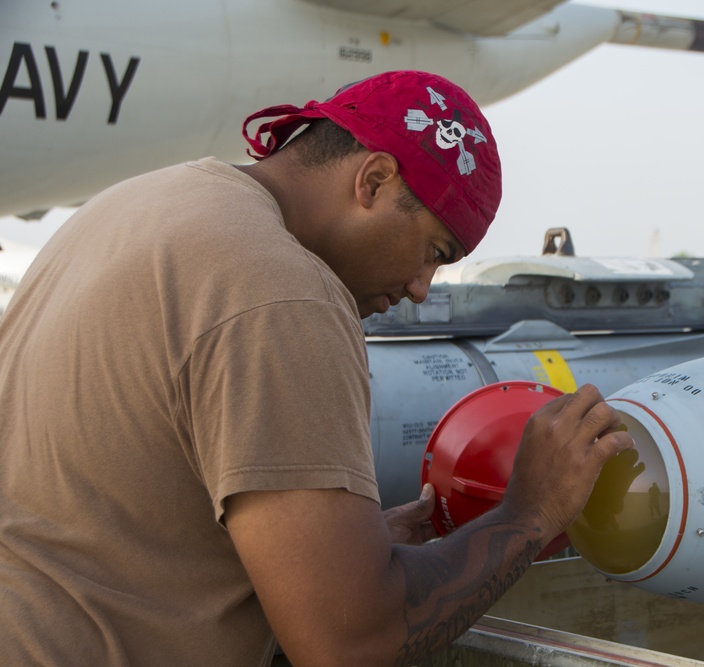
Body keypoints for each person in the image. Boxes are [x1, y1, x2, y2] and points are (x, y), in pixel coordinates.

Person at [0, 70, 633, 666]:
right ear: (374, 181)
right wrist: (530, 512)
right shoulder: (283, 292)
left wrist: (335, 545)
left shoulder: (142, 203)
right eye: (433, 252)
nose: (419, 288)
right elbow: (347, 643)